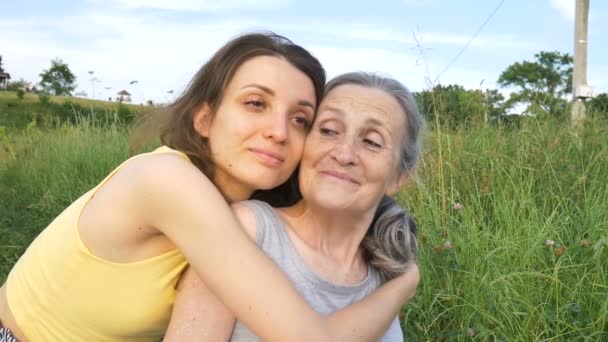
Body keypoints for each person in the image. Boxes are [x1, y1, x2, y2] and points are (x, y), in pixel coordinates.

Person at [0, 33, 419, 342]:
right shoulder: (168, 183)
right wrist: (402, 285)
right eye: (256, 103)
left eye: (300, 120)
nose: (277, 131)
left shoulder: (243, 207)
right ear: (204, 119)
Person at [164, 72, 424, 341]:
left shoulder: (385, 273)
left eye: (371, 142)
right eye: (328, 131)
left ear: (399, 177)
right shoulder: (246, 230)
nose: (344, 154)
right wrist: (406, 283)